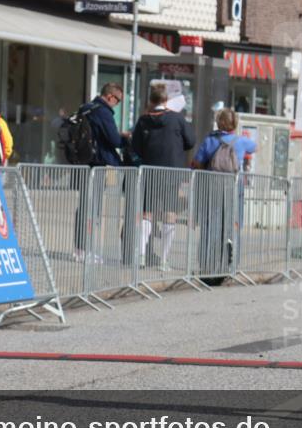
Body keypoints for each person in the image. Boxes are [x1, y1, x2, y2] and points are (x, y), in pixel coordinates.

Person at [131, 86, 196, 270]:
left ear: (151, 101)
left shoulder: (143, 120)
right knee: (170, 213)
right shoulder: (177, 118)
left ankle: (141, 255)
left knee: (147, 213)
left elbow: (136, 147)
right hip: (172, 171)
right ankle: (164, 260)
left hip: (150, 170)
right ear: (166, 101)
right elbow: (191, 141)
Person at [191, 107, 258, 281]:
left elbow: (196, 162)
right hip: (234, 188)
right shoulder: (241, 141)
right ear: (234, 123)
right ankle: (230, 264)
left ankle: (207, 265)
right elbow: (255, 147)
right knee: (232, 224)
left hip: (212, 186)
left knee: (210, 225)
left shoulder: (210, 140)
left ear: (219, 123)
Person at [74, 82, 130, 262]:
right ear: (110, 96)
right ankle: (85, 251)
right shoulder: (103, 112)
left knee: (84, 205)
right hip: (97, 163)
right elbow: (114, 140)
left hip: (83, 161)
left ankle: (79, 249)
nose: (117, 104)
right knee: (93, 207)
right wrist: (125, 138)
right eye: (118, 100)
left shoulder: (86, 108)